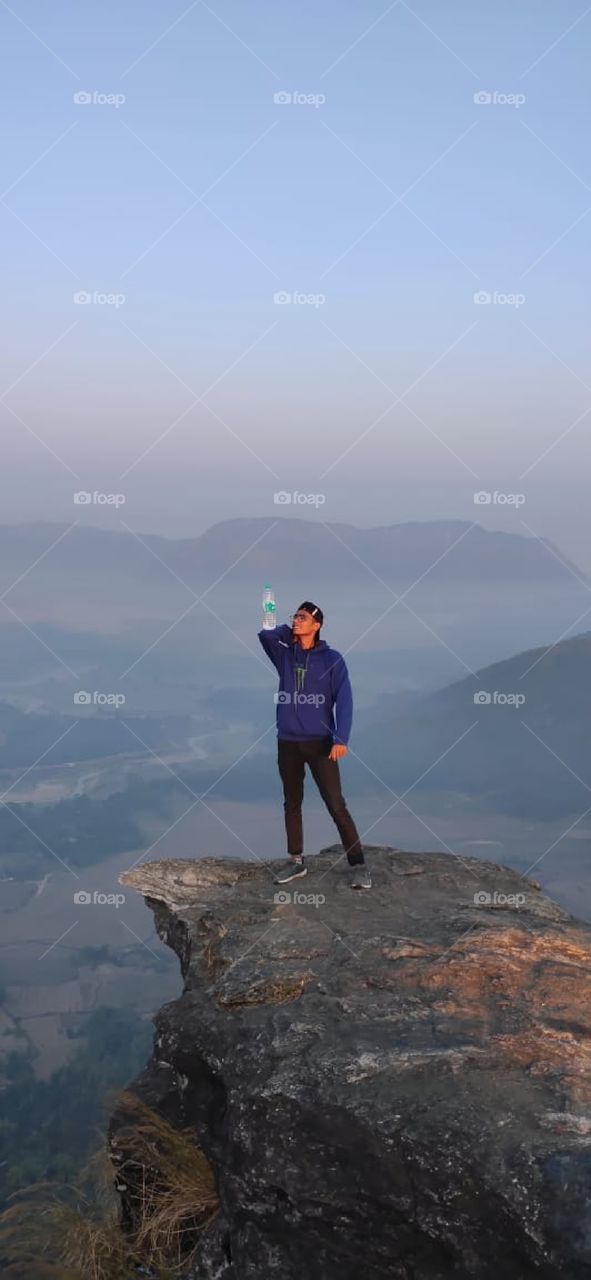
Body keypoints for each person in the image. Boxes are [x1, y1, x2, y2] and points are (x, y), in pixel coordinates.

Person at [258, 601, 371, 890]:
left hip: (321, 744)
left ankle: (358, 865)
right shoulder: (285, 655)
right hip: (288, 743)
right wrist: (288, 631)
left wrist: (341, 738)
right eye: (294, 616)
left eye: (303, 618)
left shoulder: (332, 659)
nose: (296, 621)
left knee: (336, 805)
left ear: (317, 625)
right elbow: (266, 636)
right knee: (292, 803)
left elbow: (344, 700)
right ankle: (296, 862)